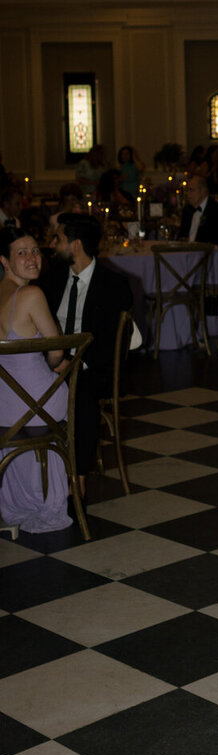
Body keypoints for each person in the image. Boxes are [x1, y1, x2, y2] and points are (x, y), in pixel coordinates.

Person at [40, 213, 133, 488]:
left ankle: (75, 482)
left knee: (80, 393)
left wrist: (74, 363)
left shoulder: (113, 285)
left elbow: (110, 342)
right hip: (50, 364)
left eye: (58, 239)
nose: (52, 244)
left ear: (76, 245)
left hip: (92, 367)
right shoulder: (51, 280)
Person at [0, 227, 71, 533]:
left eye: (35, 251)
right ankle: (70, 484)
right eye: (21, 252)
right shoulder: (31, 294)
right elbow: (56, 352)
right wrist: (61, 362)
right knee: (73, 379)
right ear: (4, 260)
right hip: (35, 407)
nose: (32, 258)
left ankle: (21, 494)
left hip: (3, 408)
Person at [176, 174, 218, 266]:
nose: (188, 194)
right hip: (187, 257)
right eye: (187, 190)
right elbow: (182, 235)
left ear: (203, 191)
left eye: (191, 190)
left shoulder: (217, 211)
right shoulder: (187, 211)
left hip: (209, 260)